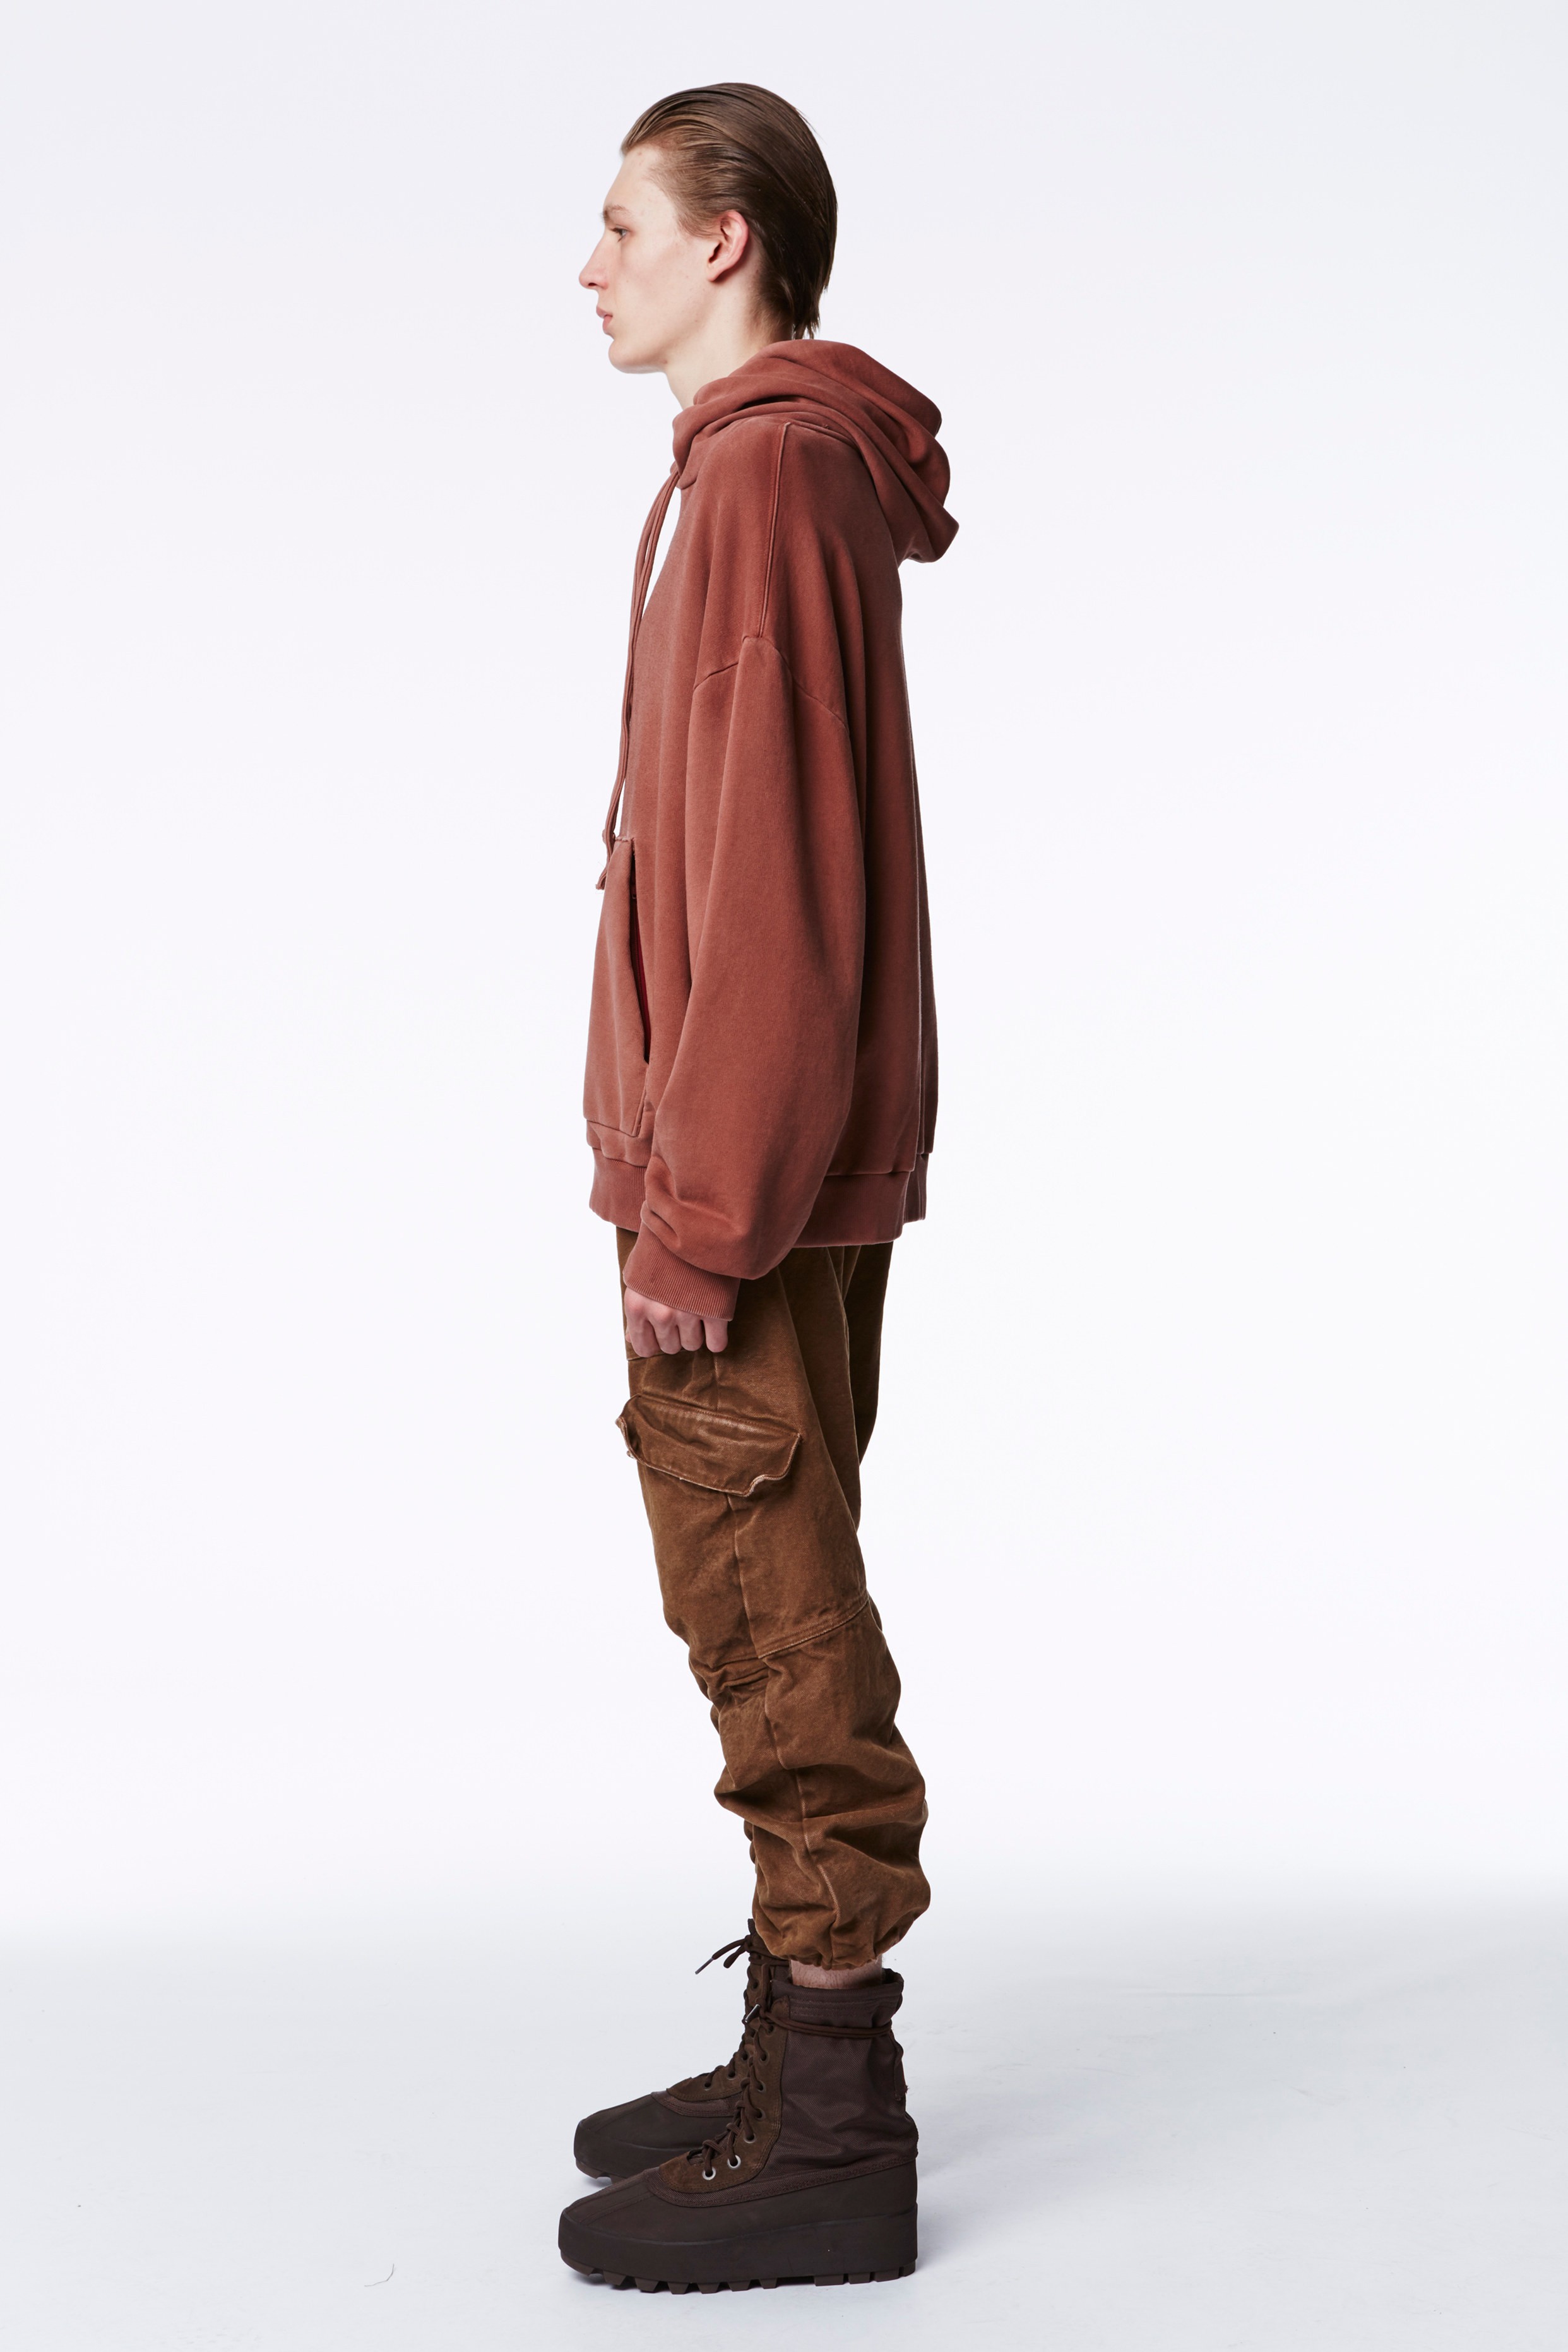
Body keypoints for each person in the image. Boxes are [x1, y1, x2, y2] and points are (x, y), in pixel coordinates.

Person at [557, 83, 957, 2295]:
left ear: (726, 241)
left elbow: (773, 886)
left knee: (768, 1609)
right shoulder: (760, 472)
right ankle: (792, 2057)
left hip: (746, 1181)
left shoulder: (768, 478)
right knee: (762, 1579)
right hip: (762, 1156)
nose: (590, 266)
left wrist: (695, 1211)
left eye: (622, 224)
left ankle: (830, 2121)